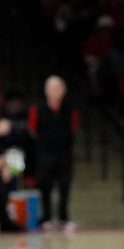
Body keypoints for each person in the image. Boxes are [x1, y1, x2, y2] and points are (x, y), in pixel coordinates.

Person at [28, 75, 79, 231]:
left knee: (64, 185)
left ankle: (64, 217)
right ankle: (46, 218)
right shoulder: (37, 108)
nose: (55, 91)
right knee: (45, 185)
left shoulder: (70, 109)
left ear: (64, 91)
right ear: (46, 91)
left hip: (64, 153)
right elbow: (32, 130)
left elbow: (73, 129)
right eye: (51, 88)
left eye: (58, 88)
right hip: (45, 153)